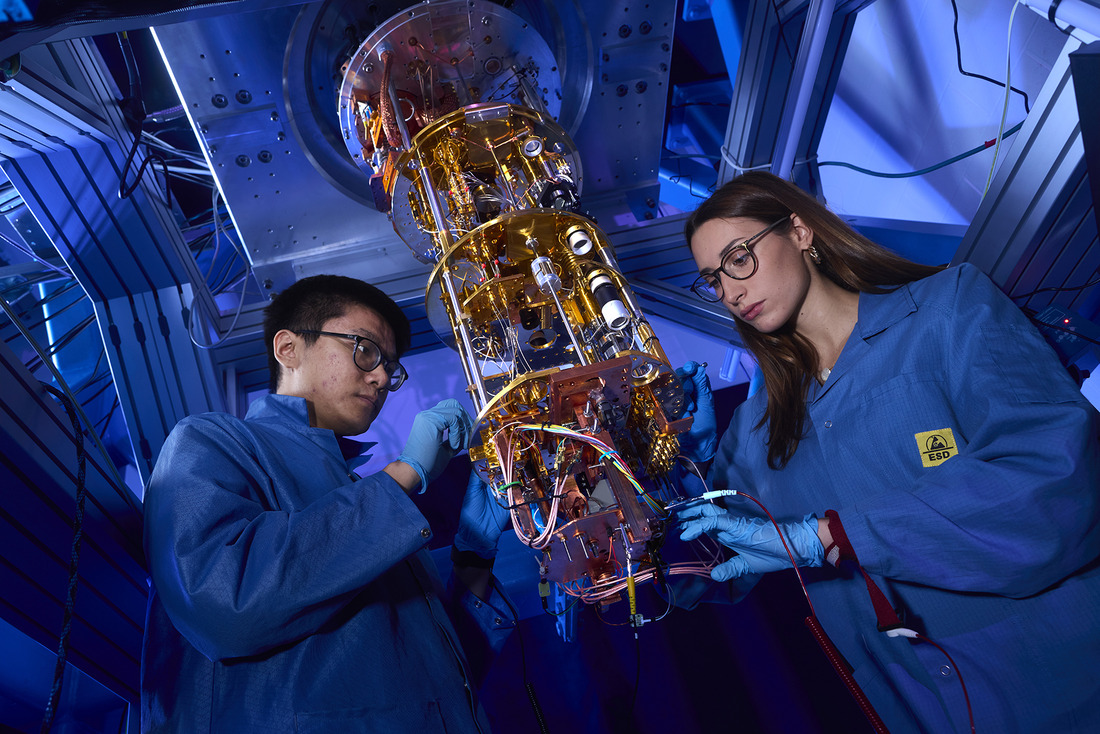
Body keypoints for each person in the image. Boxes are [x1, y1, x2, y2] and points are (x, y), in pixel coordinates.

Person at [674, 171, 1100, 733]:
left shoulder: (947, 308)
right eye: (712, 279)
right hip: (926, 711)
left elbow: (1055, 475)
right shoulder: (756, 431)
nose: (730, 292)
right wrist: (678, 468)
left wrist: (829, 536)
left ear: (799, 231)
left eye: (738, 258)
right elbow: (705, 568)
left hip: (1065, 682)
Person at [140, 274, 512, 733]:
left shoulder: (366, 503)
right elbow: (222, 603)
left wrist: (474, 554)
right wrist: (406, 473)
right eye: (365, 349)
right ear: (289, 348)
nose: (381, 378)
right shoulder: (211, 440)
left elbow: (441, 685)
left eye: (390, 367)